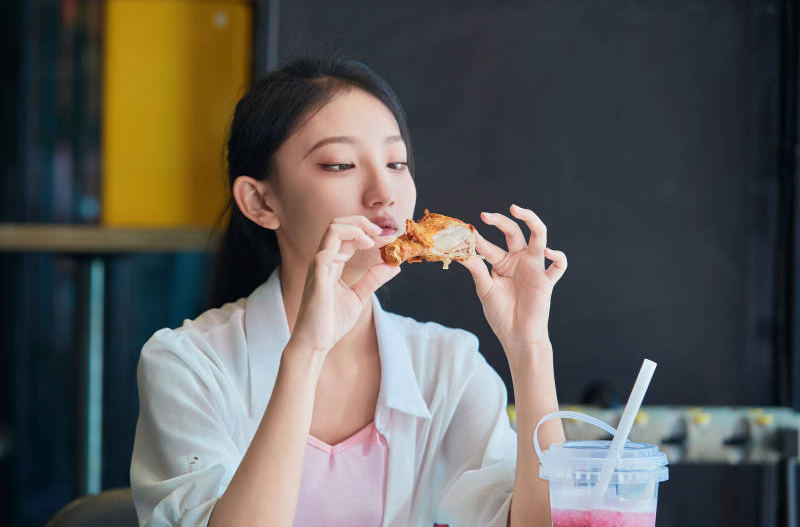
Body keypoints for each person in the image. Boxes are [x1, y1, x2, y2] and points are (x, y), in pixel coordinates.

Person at [130, 54, 568, 527]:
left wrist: (530, 350)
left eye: (397, 162)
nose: (385, 193)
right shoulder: (186, 364)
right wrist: (306, 353)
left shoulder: (450, 367)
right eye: (340, 164)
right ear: (260, 201)